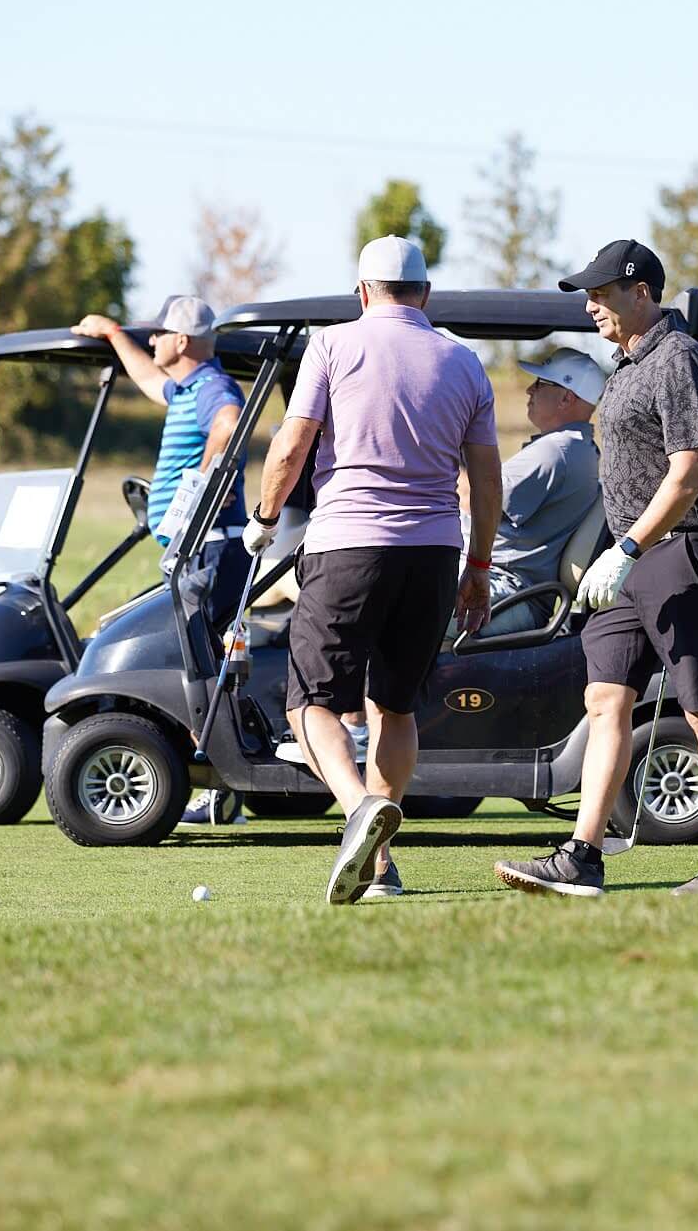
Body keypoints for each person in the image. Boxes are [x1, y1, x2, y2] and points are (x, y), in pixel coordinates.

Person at [243, 236, 502, 905]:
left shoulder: (331, 345)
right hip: (436, 551)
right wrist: (479, 565)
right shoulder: (464, 361)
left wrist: (266, 517)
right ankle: (380, 865)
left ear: (362, 292)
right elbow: (486, 477)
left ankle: (360, 806)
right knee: (395, 703)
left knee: (310, 702)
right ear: (426, 294)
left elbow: (293, 443)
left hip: (347, 543)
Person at [494, 238, 698, 898]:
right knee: (606, 698)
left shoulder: (680, 358)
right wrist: (622, 551)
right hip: (629, 561)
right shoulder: (627, 365)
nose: (591, 306)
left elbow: (690, 472)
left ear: (641, 293)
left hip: (682, 550)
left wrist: (632, 545)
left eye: (601, 294)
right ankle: (583, 855)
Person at [73, 296, 249, 827]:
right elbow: (149, 378)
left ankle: (219, 786)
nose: (152, 342)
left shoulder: (213, 386)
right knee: (196, 663)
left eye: (158, 335)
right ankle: (222, 788)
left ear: (182, 341)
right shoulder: (185, 388)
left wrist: (201, 478)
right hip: (196, 548)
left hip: (211, 545)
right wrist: (111, 334)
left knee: (193, 665)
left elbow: (229, 422)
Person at [455, 347, 604, 638]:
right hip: (510, 586)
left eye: (540, 384)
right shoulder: (574, 447)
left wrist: (440, 457)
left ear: (567, 398)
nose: (528, 390)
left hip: (507, 590)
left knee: (398, 606)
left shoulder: (556, 451)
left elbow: (478, 498)